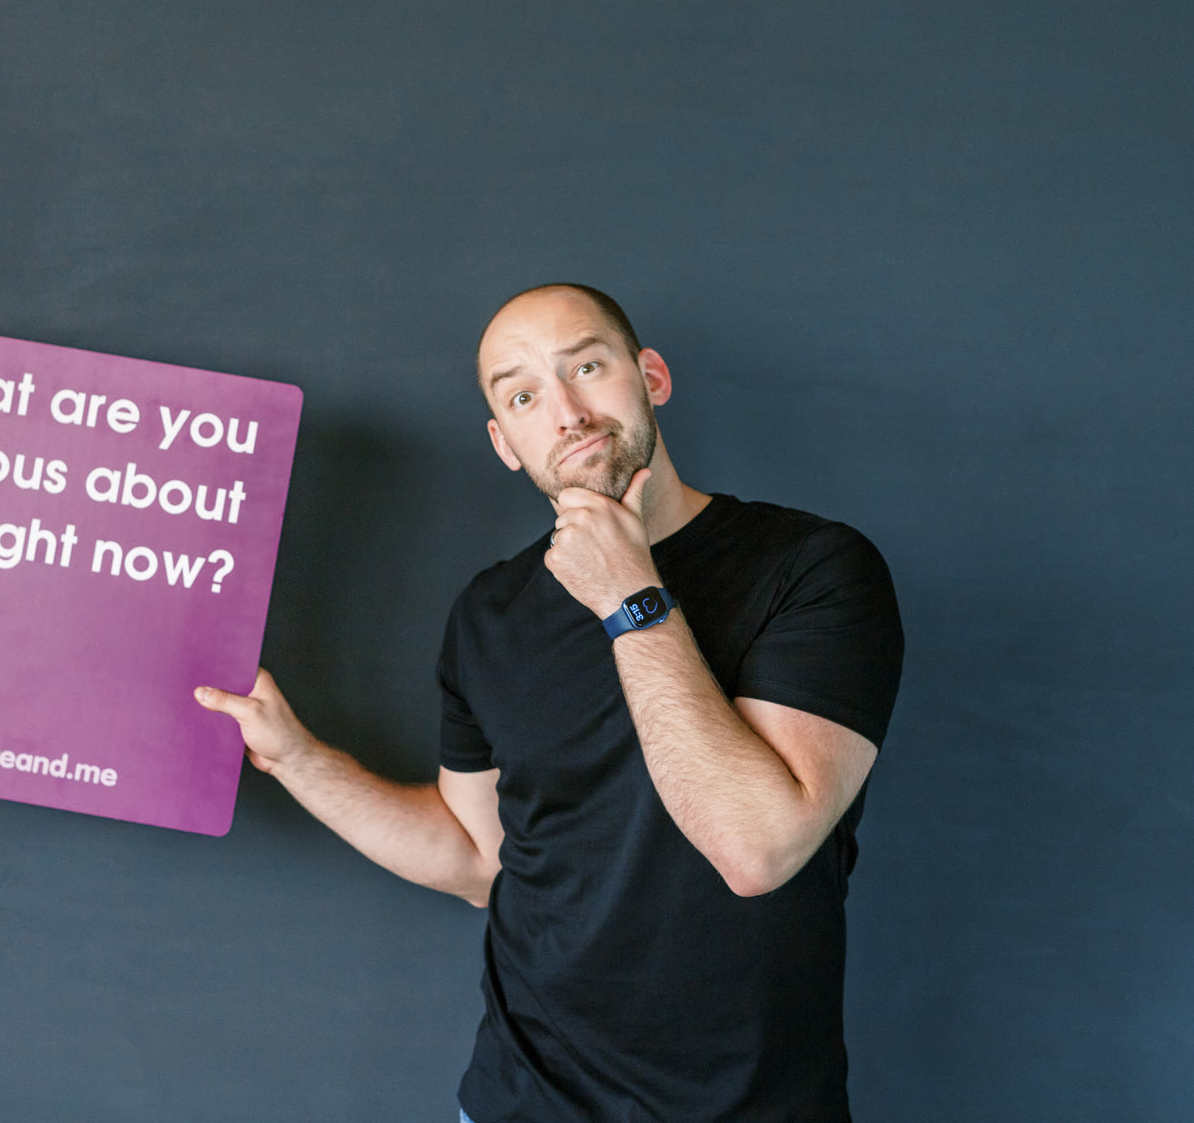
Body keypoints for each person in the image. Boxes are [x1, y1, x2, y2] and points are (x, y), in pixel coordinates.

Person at [195, 283, 904, 1122]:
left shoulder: (814, 568)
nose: (566, 412)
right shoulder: (490, 614)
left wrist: (630, 595)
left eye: (589, 368)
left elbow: (757, 850)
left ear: (652, 377)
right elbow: (477, 861)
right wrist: (299, 761)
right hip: (519, 1101)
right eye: (525, 395)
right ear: (505, 442)